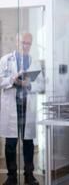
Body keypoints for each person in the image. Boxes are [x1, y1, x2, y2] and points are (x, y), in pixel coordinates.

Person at [0, 32, 40, 185]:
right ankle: (11, 177)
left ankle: (29, 175)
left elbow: (41, 83)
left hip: (26, 107)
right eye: (23, 42)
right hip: (11, 107)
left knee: (28, 143)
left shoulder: (33, 61)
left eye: (28, 43)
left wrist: (28, 84)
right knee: (11, 143)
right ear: (16, 42)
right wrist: (13, 79)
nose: (25, 46)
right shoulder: (5, 60)